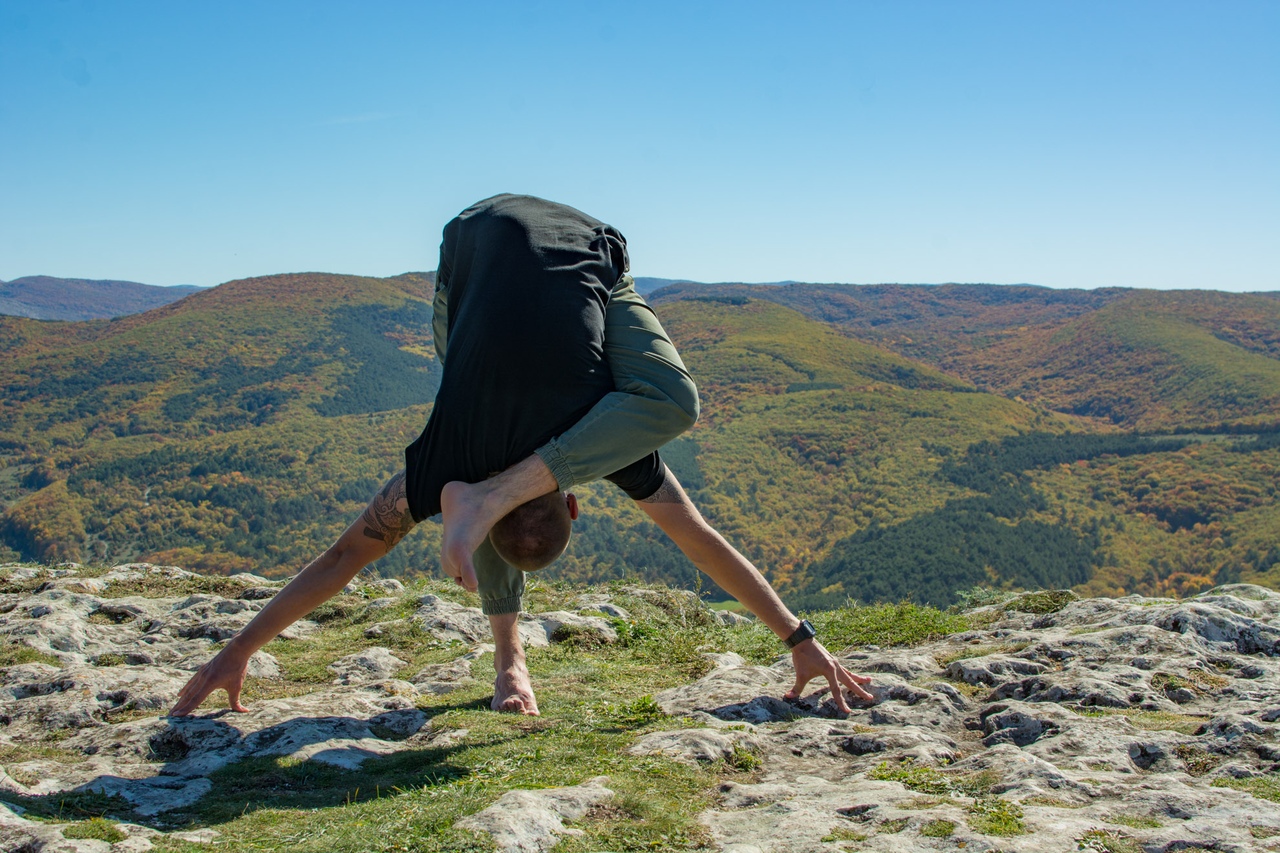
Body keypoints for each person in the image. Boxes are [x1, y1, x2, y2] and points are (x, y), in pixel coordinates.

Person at [169, 194, 872, 718]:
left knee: (654, 402)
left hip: (514, 238)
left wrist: (240, 647)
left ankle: (508, 647)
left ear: (572, 501)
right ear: (573, 496)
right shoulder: (453, 468)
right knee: (490, 400)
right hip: (485, 250)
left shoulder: (606, 441)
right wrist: (797, 635)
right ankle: (506, 629)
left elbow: (338, 559)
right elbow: (705, 543)